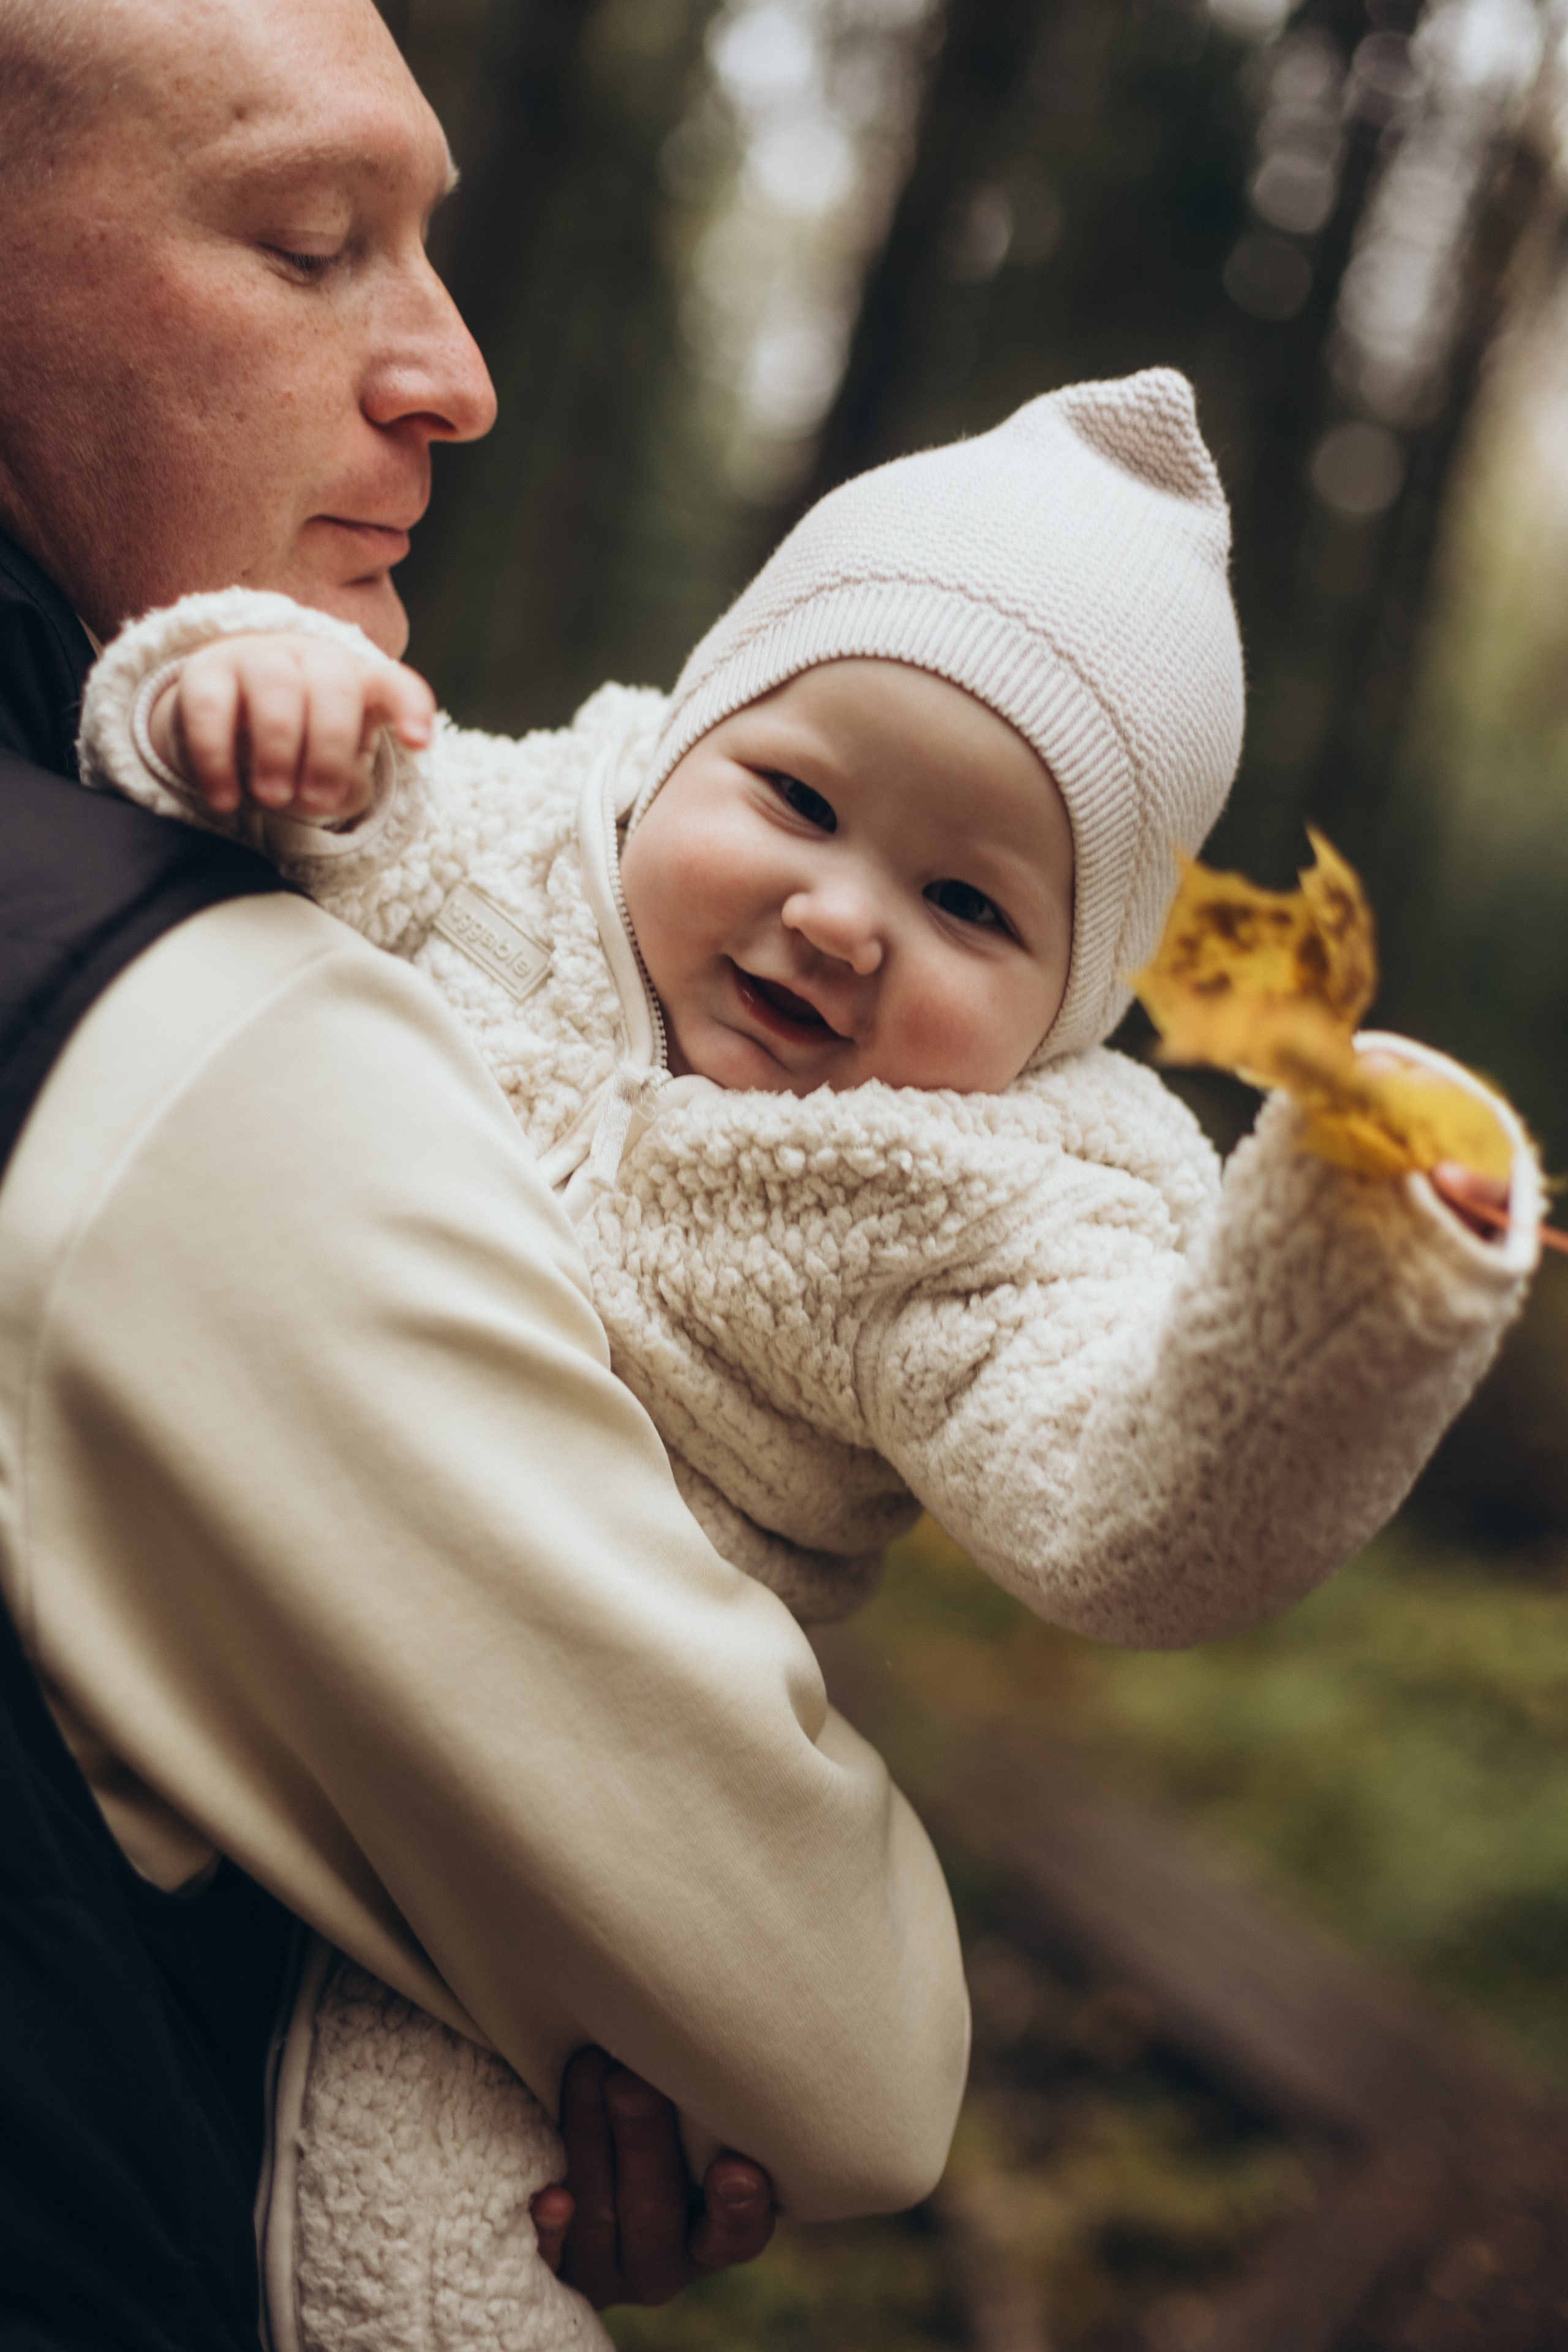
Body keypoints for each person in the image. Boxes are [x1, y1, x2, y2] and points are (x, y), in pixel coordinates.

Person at [78, 368, 1542, 2352]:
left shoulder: (993, 1200)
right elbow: (200, 793)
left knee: (439, 2270)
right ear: (690, 730)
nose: (838, 917)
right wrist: (234, 694)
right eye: (794, 798)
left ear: (1072, 1007)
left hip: (537, 1817)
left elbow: (1137, 1506)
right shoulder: (498, 833)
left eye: (965, 905)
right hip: (193, 1556)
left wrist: (1352, 1275)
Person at [0, 2, 971, 2347]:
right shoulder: (177, 1033)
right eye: (312, 244)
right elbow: (848, 2060)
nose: (454, 373)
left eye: (422, 244)